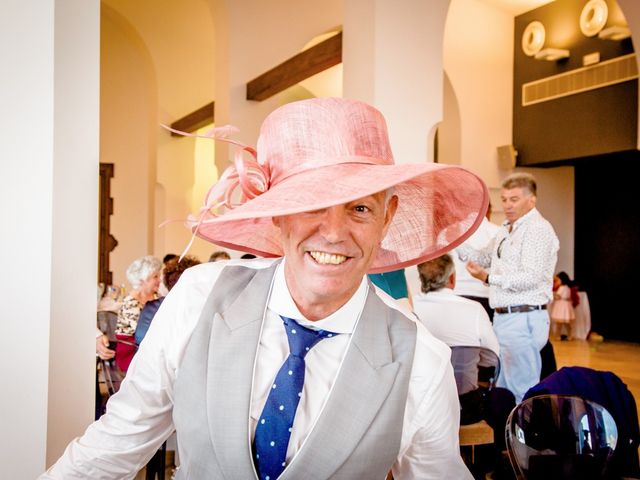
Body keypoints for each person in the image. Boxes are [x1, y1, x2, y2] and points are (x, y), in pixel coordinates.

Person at [41, 98, 488, 479]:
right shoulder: (199, 299)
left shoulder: (420, 359)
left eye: (359, 209)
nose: (333, 233)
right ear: (278, 214)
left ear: (386, 218)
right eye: (312, 205)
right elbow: (119, 440)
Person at [413, 254, 514, 476]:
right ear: (452, 279)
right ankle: (489, 465)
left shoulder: (410, 308)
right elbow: (492, 357)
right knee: (504, 398)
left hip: (421, 408)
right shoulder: (474, 309)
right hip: (465, 408)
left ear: (421, 279)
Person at [463, 172, 559, 403]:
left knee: (521, 390)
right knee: (504, 386)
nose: (507, 205)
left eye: (514, 199)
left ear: (531, 200)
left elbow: (531, 277)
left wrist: (488, 278)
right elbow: (484, 257)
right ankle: (507, 436)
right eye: (504, 199)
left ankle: (525, 436)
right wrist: (452, 241)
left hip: (522, 315)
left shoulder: (537, 229)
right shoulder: (506, 228)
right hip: (506, 317)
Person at [134, 255, 201, 345]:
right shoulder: (198, 306)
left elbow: (140, 338)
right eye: (155, 277)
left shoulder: (154, 305)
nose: (159, 280)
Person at [452, 202, 501, 321]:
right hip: (487, 297)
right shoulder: (499, 233)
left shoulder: (449, 233)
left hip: (456, 295)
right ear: (488, 210)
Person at [115, 255, 162, 372]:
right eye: (155, 277)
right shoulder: (130, 303)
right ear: (142, 280)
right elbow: (142, 334)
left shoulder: (157, 297)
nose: (160, 280)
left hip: (150, 349)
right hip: (131, 354)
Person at [550, 271, 576, 341]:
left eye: (558, 280)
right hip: (565, 305)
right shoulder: (567, 287)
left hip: (561, 306)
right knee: (565, 323)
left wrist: (552, 294)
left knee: (560, 324)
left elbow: (558, 296)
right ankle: (569, 335)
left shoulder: (562, 288)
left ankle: (559, 336)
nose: (557, 282)